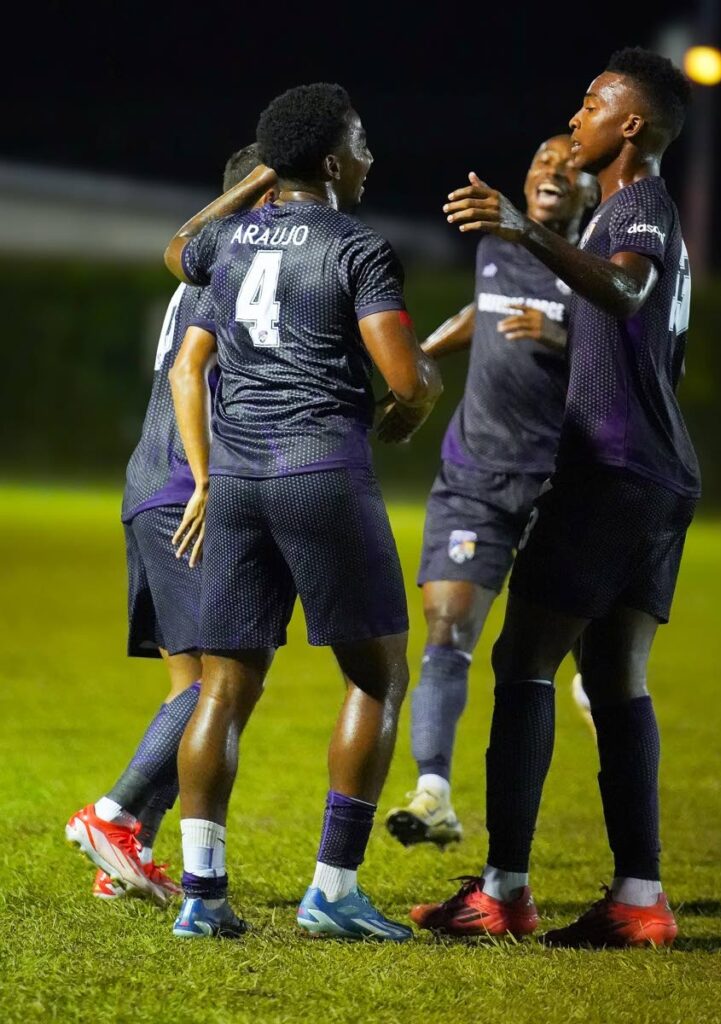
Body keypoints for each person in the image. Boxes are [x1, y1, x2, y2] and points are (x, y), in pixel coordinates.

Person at [413, 47, 698, 948]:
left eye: (589, 104)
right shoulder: (626, 208)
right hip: (654, 475)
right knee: (614, 680)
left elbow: (622, 290)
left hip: (612, 472)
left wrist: (524, 230)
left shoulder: (638, 204)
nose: (574, 118)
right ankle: (638, 899)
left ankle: (502, 892)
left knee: (522, 662)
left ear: (630, 126)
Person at [163, 83, 442, 940]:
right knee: (379, 675)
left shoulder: (228, 245)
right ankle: (332, 890)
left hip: (236, 483)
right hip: (320, 472)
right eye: (359, 142)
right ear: (329, 160)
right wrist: (420, 395)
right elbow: (402, 377)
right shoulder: (357, 245)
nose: (368, 157)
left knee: (227, 685)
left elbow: (180, 259)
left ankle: (201, 896)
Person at [64, 146, 265, 904]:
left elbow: (180, 244)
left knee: (195, 690)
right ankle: (114, 815)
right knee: (224, 684)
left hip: (149, 486)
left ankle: (129, 852)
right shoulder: (237, 271)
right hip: (187, 492)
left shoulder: (201, 269)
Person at [385, 136, 597, 848]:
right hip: (473, 479)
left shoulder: (602, 270)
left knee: (535, 656)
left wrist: (566, 333)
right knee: (445, 631)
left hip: (559, 487)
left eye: (571, 165)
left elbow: (640, 359)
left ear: (593, 192)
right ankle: (434, 791)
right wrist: (418, 357)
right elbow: (483, 311)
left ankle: (599, 675)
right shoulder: (497, 246)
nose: (552, 170)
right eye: (541, 159)